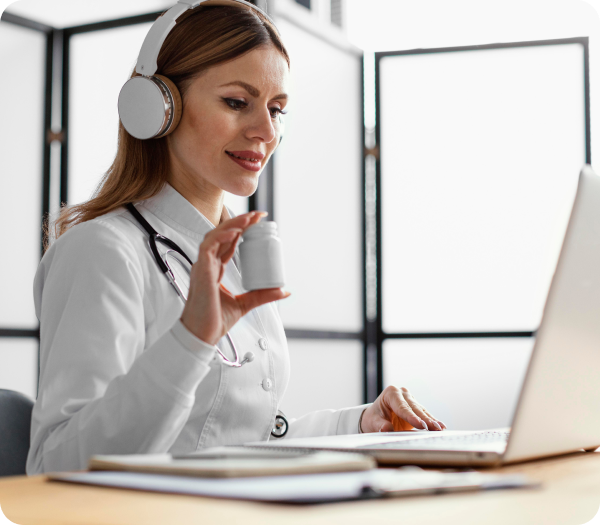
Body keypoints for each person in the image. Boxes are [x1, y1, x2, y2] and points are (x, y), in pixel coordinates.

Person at [27, 0, 445, 475]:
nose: (266, 131)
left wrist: (360, 423)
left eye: (277, 108)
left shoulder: (234, 255)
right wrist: (190, 340)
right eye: (236, 102)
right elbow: (56, 464)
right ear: (158, 107)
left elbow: (244, 438)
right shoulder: (102, 252)